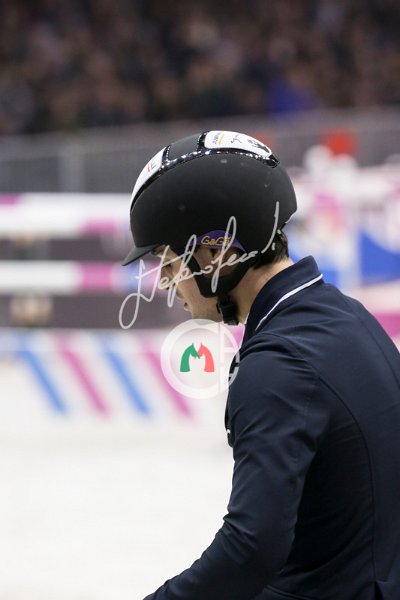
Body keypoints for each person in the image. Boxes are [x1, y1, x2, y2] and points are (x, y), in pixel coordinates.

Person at [122, 130, 400, 600]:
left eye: (170, 264)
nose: (168, 283)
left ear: (217, 252)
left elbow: (250, 551)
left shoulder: (277, 368)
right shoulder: (345, 314)